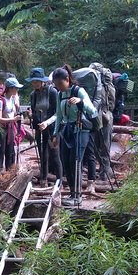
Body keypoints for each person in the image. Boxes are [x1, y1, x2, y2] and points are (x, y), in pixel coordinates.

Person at [52, 65, 98, 204]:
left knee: (75, 161)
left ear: (67, 79)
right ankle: (72, 193)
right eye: (56, 85)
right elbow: (59, 116)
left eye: (60, 83)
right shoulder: (60, 95)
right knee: (66, 162)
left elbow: (93, 111)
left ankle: (78, 196)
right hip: (66, 131)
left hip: (81, 130)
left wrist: (80, 102)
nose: (59, 87)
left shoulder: (79, 91)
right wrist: (55, 134)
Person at [26, 67, 63, 186]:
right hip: (39, 128)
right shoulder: (33, 95)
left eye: (37, 81)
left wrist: (47, 123)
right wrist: (31, 116)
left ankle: (59, 181)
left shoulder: (52, 92)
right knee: (43, 154)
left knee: (55, 154)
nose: (34, 83)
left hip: (52, 128)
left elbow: (58, 113)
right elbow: (34, 110)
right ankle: (43, 179)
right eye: (33, 81)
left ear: (43, 81)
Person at [0, 76, 24, 173]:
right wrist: (13, 119)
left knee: (10, 151)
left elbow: (14, 113)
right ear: (10, 88)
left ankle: (10, 172)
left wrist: (18, 117)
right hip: (1, 129)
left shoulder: (12, 100)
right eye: (16, 88)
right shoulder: (0, 101)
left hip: (10, 129)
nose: (17, 90)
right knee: (1, 151)